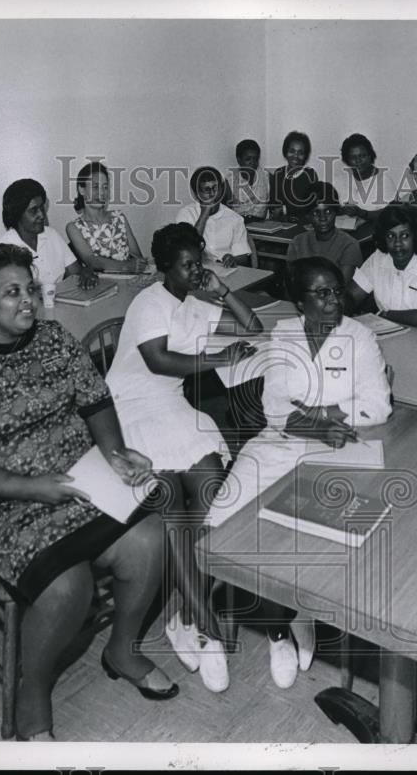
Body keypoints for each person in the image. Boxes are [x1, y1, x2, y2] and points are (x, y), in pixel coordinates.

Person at [0, 243, 174, 741]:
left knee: (150, 538)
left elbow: (95, 400)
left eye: (30, 288)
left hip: (81, 482)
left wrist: (116, 454)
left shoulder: (54, 339)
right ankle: (32, 695)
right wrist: (29, 487)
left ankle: (121, 650)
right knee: (68, 587)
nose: (28, 300)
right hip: (5, 506)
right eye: (12, 293)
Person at [207, 257, 393, 688]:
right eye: (322, 293)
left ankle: (296, 617)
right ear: (299, 302)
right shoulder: (284, 333)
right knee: (219, 521)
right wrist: (317, 417)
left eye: (337, 291)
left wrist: (320, 412)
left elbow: (378, 406)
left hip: (340, 448)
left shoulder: (360, 337)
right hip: (278, 444)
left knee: (299, 531)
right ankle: (260, 630)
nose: (334, 301)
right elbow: (274, 410)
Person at [107, 222, 263, 693]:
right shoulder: (148, 302)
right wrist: (219, 360)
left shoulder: (198, 299)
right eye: (188, 265)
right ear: (164, 269)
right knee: (174, 502)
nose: (197, 271)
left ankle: (181, 614)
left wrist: (223, 289)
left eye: (200, 262)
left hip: (171, 405)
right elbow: (158, 361)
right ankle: (206, 625)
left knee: (215, 489)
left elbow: (253, 328)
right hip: (131, 406)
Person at [346, 203, 417, 330]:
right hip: (392, 335)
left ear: (415, 236)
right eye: (390, 236)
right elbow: (351, 297)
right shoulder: (378, 258)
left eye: (405, 236)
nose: (397, 243)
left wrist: (387, 315)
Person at [0, 178, 98, 290]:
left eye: (42, 208)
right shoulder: (4, 249)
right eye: (33, 210)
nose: (41, 215)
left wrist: (85, 273)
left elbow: (75, 272)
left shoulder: (51, 234)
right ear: (17, 214)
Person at [64, 161, 148, 275]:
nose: (102, 193)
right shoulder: (74, 227)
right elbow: (91, 261)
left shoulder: (119, 217)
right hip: (100, 288)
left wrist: (138, 264)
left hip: (130, 281)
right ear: (81, 190)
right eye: (95, 186)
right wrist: (127, 267)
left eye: (105, 187)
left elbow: (137, 255)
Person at [285, 182, 363, 285]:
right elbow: (291, 282)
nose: (323, 219)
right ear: (308, 216)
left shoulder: (349, 245)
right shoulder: (297, 242)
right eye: (316, 213)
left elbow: (340, 288)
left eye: (328, 212)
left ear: (336, 212)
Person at [175, 166, 255, 267]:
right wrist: (204, 215)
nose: (213, 194)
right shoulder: (186, 214)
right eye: (207, 190)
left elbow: (243, 257)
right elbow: (187, 250)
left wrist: (233, 259)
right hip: (196, 270)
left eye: (216, 188)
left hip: (226, 273)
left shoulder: (234, 218)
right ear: (197, 193)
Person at [333, 133, 398, 223]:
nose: (358, 161)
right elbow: (330, 209)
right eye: (353, 157)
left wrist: (362, 213)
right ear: (347, 159)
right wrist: (341, 210)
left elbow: (392, 215)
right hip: (344, 233)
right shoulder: (340, 180)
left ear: (370, 156)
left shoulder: (384, 181)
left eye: (362, 156)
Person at [270, 130, 320, 223]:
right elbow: (274, 205)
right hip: (280, 224)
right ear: (285, 151)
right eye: (292, 151)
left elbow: (309, 208)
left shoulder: (310, 175)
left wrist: (284, 210)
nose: (295, 156)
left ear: (305, 156)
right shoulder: (279, 173)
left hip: (303, 226)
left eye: (300, 153)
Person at [225, 139, 270, 221]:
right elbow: (225, 213)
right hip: (239, 226)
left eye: (255, 159)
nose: (252, 163)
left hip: (262, 226)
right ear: (239, 160)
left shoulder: (266, 177)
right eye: (248, 159)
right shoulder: (229, 181)